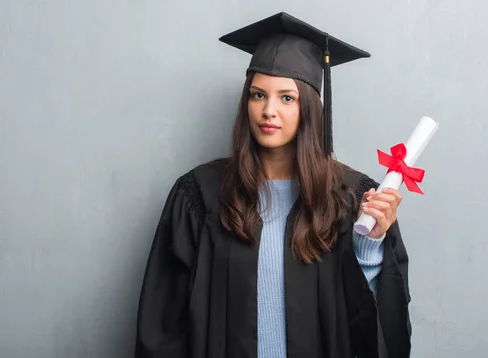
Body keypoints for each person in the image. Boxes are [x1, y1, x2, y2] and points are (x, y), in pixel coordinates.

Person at [135, 12, 411, 358]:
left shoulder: (349, 198)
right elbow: (164, 325)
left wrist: (371, 245)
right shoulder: (200, 195)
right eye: (257, 95)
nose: (268, 110)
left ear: (309, 108)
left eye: (286, 98)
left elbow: (373, 326)